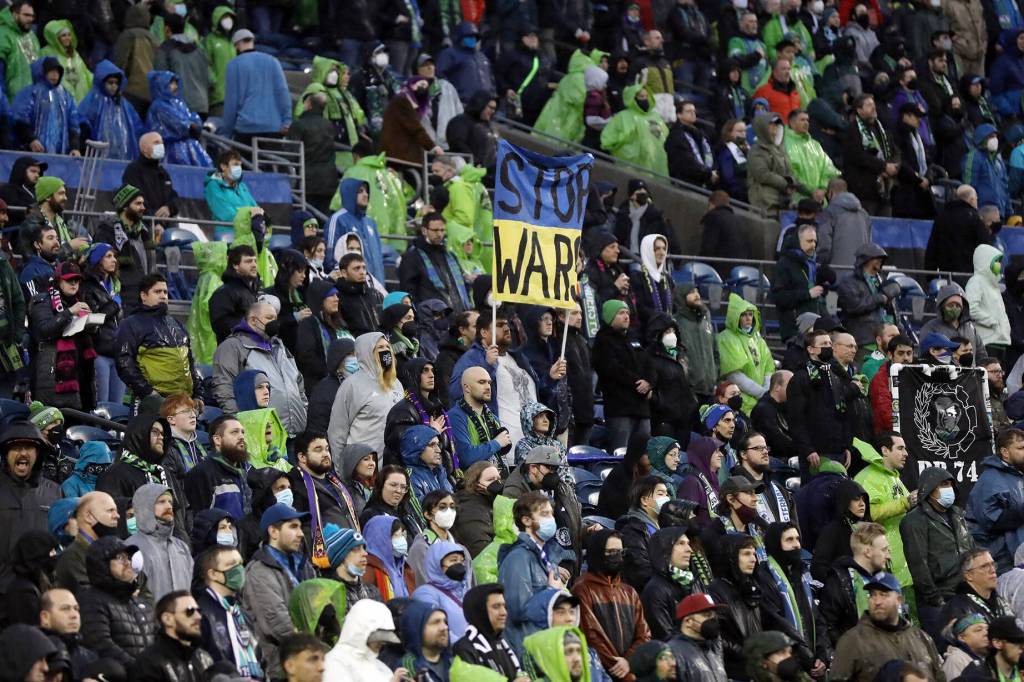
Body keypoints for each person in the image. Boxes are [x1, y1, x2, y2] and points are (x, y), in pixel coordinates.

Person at [242, 503, 315, 678]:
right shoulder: (258, 572)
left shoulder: (304, 565)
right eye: (293, 527)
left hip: (306, 664)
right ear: (273, 532)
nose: (300, 533)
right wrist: (315, 643)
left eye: (300, 527)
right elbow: (278, 624)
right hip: (278, 669)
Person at [212, 301, 307, 436]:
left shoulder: (280, 346)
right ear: (253, 321)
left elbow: (298, 382)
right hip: (259, 433)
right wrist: (240, 425)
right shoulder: (232, 346)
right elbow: (224, 389)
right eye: (269, 318)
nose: (275, 323)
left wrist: (303, 412)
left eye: (275, 318)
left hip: (294, 433)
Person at [830, 572, 944, 682]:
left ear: (899, 600)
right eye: (872, 595)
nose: (877, 601)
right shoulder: (852, 640)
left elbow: (940, 677)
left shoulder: (921, 638)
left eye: (884, 595)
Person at [115, 273, 201, 409]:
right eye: (157, 291)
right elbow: (124, 363)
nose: (163, 296)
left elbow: (190, 363)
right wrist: (149, 393)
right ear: (144, 296)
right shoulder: (130, 324)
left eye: (165, 292)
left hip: (182, 402)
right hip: (150, 402)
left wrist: (197, 394)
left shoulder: (177, 325)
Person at [756, 523, 828, 677]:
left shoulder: (801, 573)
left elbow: (816, 617)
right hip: (786, 664)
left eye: (797, 539)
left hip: (812, 660)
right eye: (789, 540)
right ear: (776, 544)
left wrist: (822, 654)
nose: (796, 545)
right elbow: (779, 623)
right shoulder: (764, 577)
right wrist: (809, 659)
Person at [78, 536, 154, 667]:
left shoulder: (140, 603)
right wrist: (140, 670)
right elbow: (100, 644)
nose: (128, 563)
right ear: (102, 564)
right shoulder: (90, 600)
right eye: (120, 558)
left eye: (128, 558)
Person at [592, 299, 653, 451]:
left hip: (641, 408)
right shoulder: (603, 341)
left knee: (643, 457)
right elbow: (613, 369)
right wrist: (638, 382)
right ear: (609, 316)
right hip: (620, 409)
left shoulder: (634, 338)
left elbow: (649, 364)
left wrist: (650, 382)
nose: (626, 316)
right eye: (621, 313)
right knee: (620, 454)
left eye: (627, 313)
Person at [193, 546, 262, 678]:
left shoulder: (241, 612)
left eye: (240, 564)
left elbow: (258, 655)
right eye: (231, 565)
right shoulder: (200, 615)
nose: (239, 570)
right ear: (213, 574)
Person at [820, 521, 891, 646]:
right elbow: (827, 626)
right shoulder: (839, 581)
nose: (888, 555)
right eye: (884, 550)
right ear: (868, 552)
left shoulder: (885, 579)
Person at [966, 428, 1024, 571]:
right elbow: (989, 519)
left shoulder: (1018, 475)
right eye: (1021, 448)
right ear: (1005, 452)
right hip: (1002, 562)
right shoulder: (990, 479)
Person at [707, 534, 764, 680]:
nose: (753, 559)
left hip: (756, 670)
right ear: (730, 557)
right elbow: (714, 635)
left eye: (754, 554)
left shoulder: (752, 586)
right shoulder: (715, 590)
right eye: (746, 554)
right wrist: (744, 652)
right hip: (733, 673)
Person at [221, 30, 291, 143]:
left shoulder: (233, 65)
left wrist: (227, 132)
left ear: (237, 45)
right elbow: (282, 92)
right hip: (273, 127)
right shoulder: (273, 61)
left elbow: (231, 102)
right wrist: (286, 121)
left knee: (247, 160)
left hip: (246, 129)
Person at [125, 484, 191, 602]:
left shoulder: (181, 547)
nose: (168, 506)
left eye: (170, 502)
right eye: (161, 502)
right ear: (145, 507)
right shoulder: (131, 547)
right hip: (149, 618)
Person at [94, 184, 153, 315]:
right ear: (125, 206)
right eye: (138, 203)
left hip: (143, 297)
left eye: (143, 203)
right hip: (121, 300)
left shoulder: (144, 233)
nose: (143, 207)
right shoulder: (106, 232)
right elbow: (99, 268)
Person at [399, 213, 470, 315]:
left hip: (458, 317)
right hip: (431, 319)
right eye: (435, 230)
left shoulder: (450, 256)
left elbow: (463, 284)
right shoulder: (412, 257)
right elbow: (408, 291)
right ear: (424, 230)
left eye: (442, 230)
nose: (440, 234)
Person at [772, 224, 831, 343]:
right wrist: (807, 294)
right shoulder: (784, 264)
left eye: (815, 241)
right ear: (798, 242)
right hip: (795, 331)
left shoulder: (815, 264)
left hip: (818, 328)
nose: (813, 245)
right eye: (809, 241)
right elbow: (778, 297)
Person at [323, 598, 407, 681]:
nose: (382, 643)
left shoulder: (379, 666)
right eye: (378, 637)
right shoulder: (334, 663)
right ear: (361, 631)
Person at [77, 61, 142, 161]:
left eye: (116, 83)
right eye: (110, 82)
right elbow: (82, 123)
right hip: (97, 158)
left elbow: (137, 126)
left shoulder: (123, 104)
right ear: (102, 82)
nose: (113, 86)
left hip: (123, 157)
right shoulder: (93, 100)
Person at [144, 70, 211, 167]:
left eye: (175, 83)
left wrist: (194, 124)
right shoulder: (158, 106)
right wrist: (191, 126)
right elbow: (178, 123)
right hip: (171, 150)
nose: (175, 86)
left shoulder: (178, 103)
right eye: (171, 83)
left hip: (186, 148)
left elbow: (190, 117)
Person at [601, 85, 668, 175]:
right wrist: (629, 149)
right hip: (634, 165)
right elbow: (608, 140)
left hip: (658, 164)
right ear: (632, 98)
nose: (645, 99)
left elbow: (666, 136)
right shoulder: (623, 116)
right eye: (641, 96)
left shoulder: (655, 117)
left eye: (646, 96)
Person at [38, 588, 99, 680]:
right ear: (45, 617)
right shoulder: (36, 657)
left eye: (76, 609)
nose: (74, 615)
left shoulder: (91, 657)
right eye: (65, 609)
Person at [966, 244, 1012, 354]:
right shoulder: (976, 281)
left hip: (1001, 341)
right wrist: (992, 321)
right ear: (985, 261)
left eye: (999, 262)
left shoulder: (994, 285)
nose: (999, 265)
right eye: (996, 261)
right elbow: (971, 309)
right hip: (987, 341)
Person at [436, 22, 495, 102]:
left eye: (475, 36)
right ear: (460, 37)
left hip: (485, 105)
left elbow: (491, 78)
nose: (472, 39)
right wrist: (454, 94)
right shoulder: (449, 53)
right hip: (462, 103)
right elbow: (440, 75)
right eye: (469, 36)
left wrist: (493, 94)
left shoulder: (482, 56)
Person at [203, 150, 257, 232]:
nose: (239, 168)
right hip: (227, 235)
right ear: (223, 166)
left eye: (240, 165)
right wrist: (250, 219)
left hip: (248, 234)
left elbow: (255, 208)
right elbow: (226, 214)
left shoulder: (242, 187)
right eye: (235, 165)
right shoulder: (213, 186)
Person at [667, 100, 716, 188]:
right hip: (686, 183)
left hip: (703, 181)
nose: (693, 113)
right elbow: (686, 161)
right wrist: (707, 174)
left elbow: (711, 153)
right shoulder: (676, 135)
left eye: (694, 111)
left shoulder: (700, 134)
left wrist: (712, 172)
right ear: (679, 114)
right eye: (689, 111)